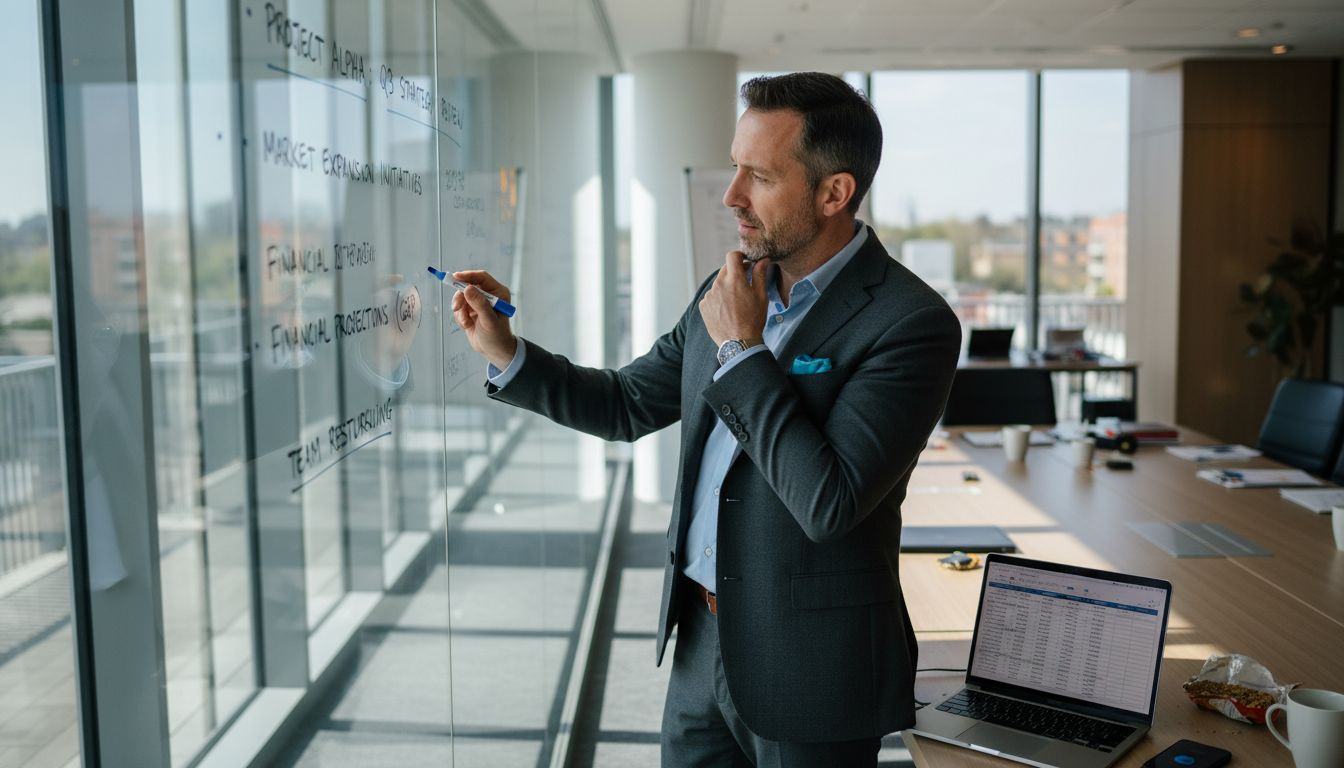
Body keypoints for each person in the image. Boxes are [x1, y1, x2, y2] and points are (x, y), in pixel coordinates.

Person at [452, 72, 961, 767]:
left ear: (834, 192)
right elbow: (627, 403)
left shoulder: (910, 322)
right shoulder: (727, 289)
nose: (732, 196)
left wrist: (742, 350)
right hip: (700, 641)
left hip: (811, 665)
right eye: (734, 167)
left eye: (758, 175)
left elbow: (829, 501)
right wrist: (508, 354)